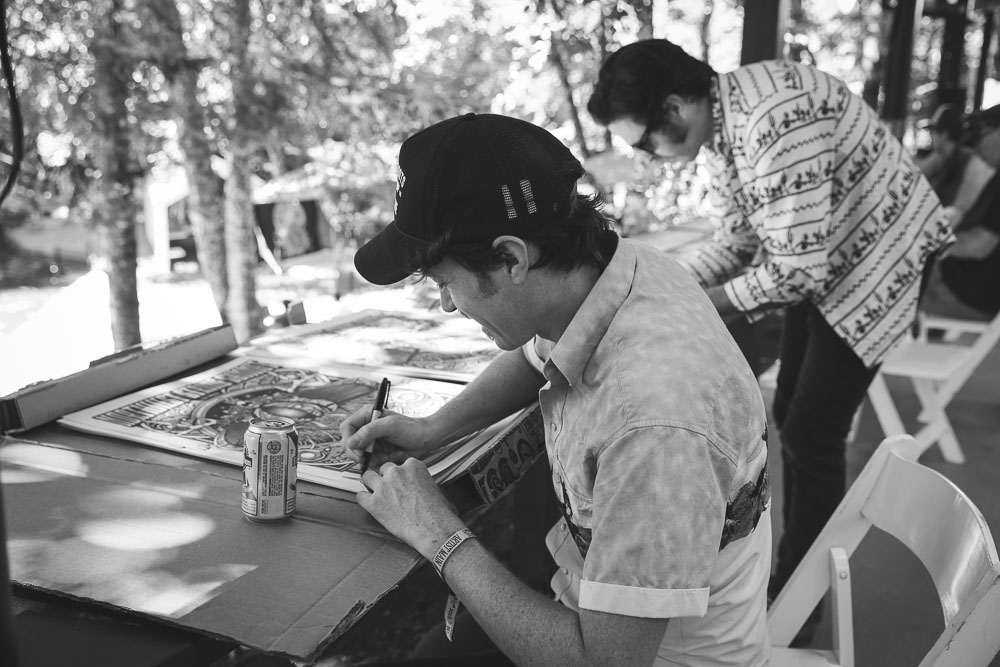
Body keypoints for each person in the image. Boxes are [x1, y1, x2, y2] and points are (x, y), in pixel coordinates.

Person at [341, 112, 772, 666]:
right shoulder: (619, 273)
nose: (447, 304)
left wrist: (439, 535)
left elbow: (604, 663)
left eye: (446, 282)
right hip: (587, 595)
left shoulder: (654, 419)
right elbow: (534, 354)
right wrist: (431, 430)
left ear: (511, 258)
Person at [585, 39, 955, 633]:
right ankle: (794, 579)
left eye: (646, 142)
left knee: (812, 427)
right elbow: (736, 242)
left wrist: (692, 304)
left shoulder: (770, 122)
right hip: (831, 262)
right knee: (790, 410)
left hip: (877, 259)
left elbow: (799, 270)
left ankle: (800, 601)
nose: (649, 156)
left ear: (676, 107)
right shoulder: (725, 126)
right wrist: (650, 284)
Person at [920, 104, 1000, 322]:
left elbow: (978, 245)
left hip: (970, 294)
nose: (978, 146)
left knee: (889, 290)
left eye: (982, 135)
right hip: (966, 285)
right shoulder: (949, 160)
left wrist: (928, 244)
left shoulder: (975, 167)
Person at [915, 103, 994, 228]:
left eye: (934, 131)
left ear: (944, 134)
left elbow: (960, 213)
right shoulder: (942, 158)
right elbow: (915, 177)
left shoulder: (970, 163)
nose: (931, 136)